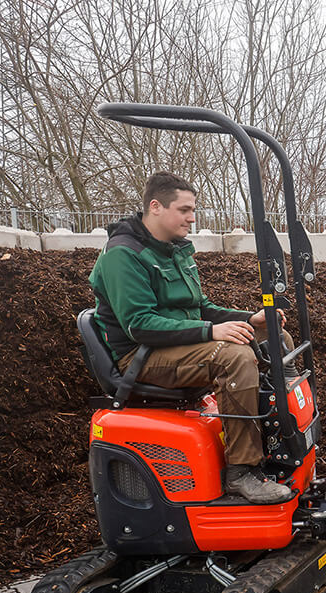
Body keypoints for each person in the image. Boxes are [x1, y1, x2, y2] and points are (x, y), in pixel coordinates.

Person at [89, 171, 292, 504]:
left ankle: (284, 443)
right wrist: (211, 333)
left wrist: (249, 319)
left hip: (179, 345)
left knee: (275, 334)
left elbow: (201, 308)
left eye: (192, 209)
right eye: (184, 209)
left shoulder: (172, 250)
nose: (192, 217)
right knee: (236, 357)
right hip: (142, 355)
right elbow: (140, 325)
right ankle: (242, 472)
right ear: (155, 206)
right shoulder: (123, 255)